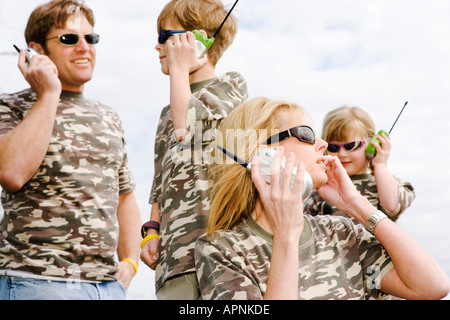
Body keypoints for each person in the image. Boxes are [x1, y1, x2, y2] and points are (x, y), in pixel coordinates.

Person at [195, 97, 449, 300]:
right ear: (263, 155)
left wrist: (356, 204)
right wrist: (286, 236)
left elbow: (433, 287)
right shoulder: (220, 250)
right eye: (306, 134)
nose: (323, 144)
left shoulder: (341, 232)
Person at [0, 0, 141, 300]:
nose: (84, 47)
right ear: (35, 50)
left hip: (107, 288)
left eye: (90, 38)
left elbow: (125, 194)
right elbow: (11, 173)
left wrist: (130, 262)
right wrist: (49, 92)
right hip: (35, 282)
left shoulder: (110, 117)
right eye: (69, 39)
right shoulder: (9, 106)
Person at [139, 0, 248, 300]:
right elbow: (160, 182)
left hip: (220, 257)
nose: (158, 46)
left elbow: (185, 127)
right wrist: (152, 230)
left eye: (165, 36)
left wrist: (178, 68)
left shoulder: (230, 87)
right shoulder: (166, 113)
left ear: (197, 40)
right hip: (175, 262)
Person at [304, 106, 415, 224]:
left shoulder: (387, 184)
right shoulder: (321, 190)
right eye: (333, 147)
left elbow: (392, 207)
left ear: (372, 144)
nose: (342, 154)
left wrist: (379, 165)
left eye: (351, 146)